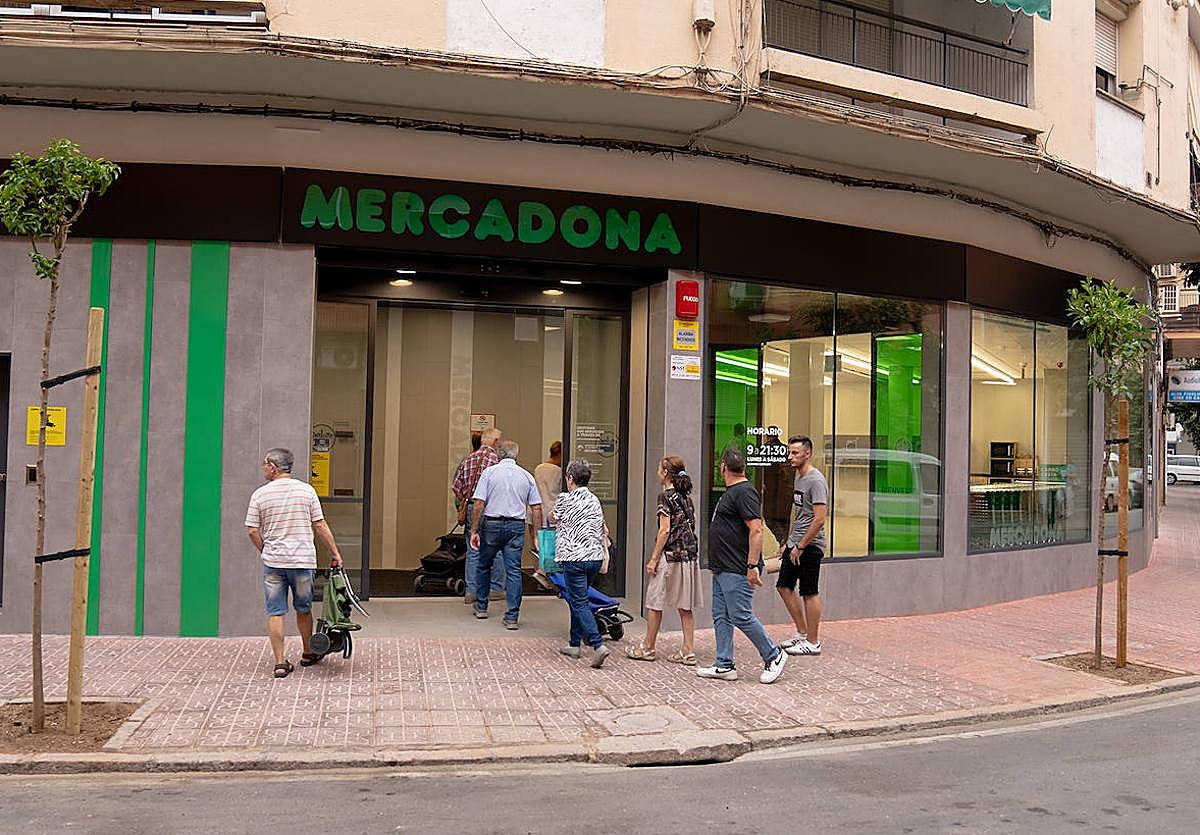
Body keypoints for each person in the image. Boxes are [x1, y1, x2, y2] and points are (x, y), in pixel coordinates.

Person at [245, 447, 343, 679]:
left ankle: (280, 662)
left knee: (276, 612)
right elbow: (320, 525)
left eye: (264, 464)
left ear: (272, 466)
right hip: (301, 561)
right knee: (303, 608)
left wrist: (265, 549)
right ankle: (308, 652)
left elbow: (251, 530)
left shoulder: (260, 494)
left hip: (274, 562)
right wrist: (335, 553)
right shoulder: (306, 491)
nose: (263, 468)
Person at [696, 446, 788, 684]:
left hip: (737, 568)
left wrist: (751, 566)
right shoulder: (735, 491)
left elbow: (756, 530)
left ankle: (774, 655)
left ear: (723, 467)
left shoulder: (744, 492)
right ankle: (724, 664)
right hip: (722, 567)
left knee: (740, 615)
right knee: (721, 615)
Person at [626, 456, 702, 664]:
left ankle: (648, 647)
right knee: (685, 606)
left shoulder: (665, 496)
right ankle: (688, 650)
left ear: (665, 473)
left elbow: (664, 530)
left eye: (659, 468)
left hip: (670, 555)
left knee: (654, 602)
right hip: (688, 554)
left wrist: (653, 558)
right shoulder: (686, 496)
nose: (657, 471)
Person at [470, 439, 542, 629]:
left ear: (498, 454)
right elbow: (536, 507)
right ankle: (512, 617)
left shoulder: (489, 473)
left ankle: (482, 607)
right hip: (515, 527)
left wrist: (474, 530)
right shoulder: (527, 476)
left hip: (492, 525)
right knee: (513, 571)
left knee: (484, 565)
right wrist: (536, 535)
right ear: (516, 454)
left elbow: (479, 503)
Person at [551, 459, 611, 668]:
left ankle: (597, 644)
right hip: (594, 558)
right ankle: (574, 644)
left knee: (579, 601)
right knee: (579, 598)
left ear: (570, 479)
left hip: (574, 558)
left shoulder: (565, 499)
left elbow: (552, 518)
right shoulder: (595, 500)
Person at [777, 435, 827, 656]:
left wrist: (802, 546)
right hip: (796, 542)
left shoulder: (816, 481)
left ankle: (813, 642)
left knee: (809, 591)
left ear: (808, 453)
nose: (790, 456)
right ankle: (802, 633)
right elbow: (800, 515)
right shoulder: (800, 478)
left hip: (811, 545)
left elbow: (819, 519)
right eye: (790, 452)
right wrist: (788, 543)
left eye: (795, 453)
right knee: (784, 586)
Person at [452, 426, 503, 605]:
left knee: (473, 549)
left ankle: (471, 591)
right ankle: (496, 589)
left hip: (472, 506)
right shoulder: (497, 460)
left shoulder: (468, 459)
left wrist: (467, 500)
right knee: (495, 549)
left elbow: (456, 486)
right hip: (490, 509)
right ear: (495, 442)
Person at [530, 441, 563, 590]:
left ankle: (538, 574)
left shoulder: (539, 469)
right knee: (552, 547)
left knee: (537, 544)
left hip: (534, 511)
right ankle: (547, 577)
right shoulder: (559, 472)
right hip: (551, 511)